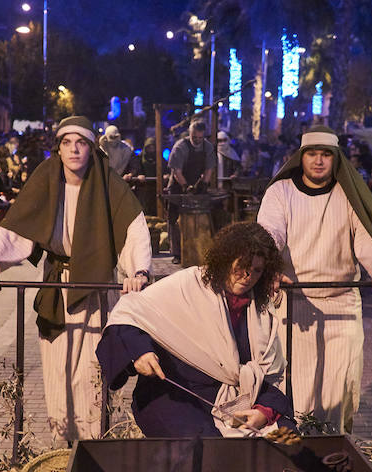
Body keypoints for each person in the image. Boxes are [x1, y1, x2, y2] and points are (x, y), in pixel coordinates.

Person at [0, 116, 152, 444]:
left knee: (91, 371)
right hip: (57, 287)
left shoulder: (107, 182)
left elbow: (133, 228)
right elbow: (16, 224)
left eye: (81, 142)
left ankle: (94, 445)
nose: (74, 149)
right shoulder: (47, 178)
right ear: (58, 147)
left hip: (96, 287)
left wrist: (139, 272)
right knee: (58, 370)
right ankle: (63, 446)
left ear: (90, 146)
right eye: (67, 142)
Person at [257, 125, 372, 434]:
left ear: (335, 158)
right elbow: (270, 232)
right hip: (295, 304)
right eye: (312, 154)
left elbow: (366, 239)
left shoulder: (346, 194)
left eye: (326, 154)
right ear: (301, 156)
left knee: (341, 387)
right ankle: (296, 453)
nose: (319, 161)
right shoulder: (280, 192)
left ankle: (332, 451)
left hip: (342, 304)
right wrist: (269, 264)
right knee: (296, 387)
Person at [97, 222, 296, 437]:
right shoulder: (188, 285)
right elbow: (129, 314)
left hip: (232, 398)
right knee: (203, 442)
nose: (247, 276)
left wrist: (263, 412)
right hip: (173, 395)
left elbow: (269, 375)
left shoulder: (259, 312)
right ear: (225, 259)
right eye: (242, 266)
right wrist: (140, 352)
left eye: (257, 270)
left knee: (286, 437)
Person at [167, 120, 216, 264]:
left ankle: (199, 249)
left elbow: (209, 169)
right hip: (178, 185)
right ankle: (177, 253)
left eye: (200, 138)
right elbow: (176, 171)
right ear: (190, 134)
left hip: (196, 183)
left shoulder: (207, 147)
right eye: (195, 137)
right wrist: (185, 187)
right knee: (175, 219)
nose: (198, 140)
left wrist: (204, 185)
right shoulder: (180, 147)